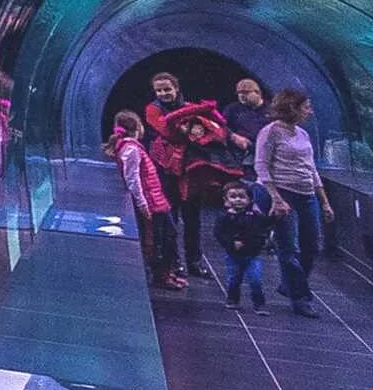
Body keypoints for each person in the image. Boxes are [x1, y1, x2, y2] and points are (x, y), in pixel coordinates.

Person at [145, 72, 230, 282]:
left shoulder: (191, 107)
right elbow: (167, 132)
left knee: (193, 217)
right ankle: (174, 262)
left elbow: (216, 128)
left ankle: (194, 261)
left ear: (176, 88)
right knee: (170, 218)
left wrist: (201, 129)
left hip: (191, 169)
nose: (164, 93)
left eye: (167, 89)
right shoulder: (152, 109)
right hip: (167, 168)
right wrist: (190, 129)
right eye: (159, 90)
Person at [254, 87, 326, 316]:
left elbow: (311, 168)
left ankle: (289, 284)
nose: (310, 112)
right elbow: (261, 164)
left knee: (312, 246)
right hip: (281, 193)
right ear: (292, 107)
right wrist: (275, 198)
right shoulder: (271, 132)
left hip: (307, 195)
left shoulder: (302, 134)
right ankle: (300, 298)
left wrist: (323, 200)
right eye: (306, 107)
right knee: (289, 247)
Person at [111, 108, 182, 289]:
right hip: (151, 202)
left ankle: (168, 273)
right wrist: (142, 203)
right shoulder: (131, 149)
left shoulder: (131, 147)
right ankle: (161, 276)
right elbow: (132, 178)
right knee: (158, 239)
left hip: (156, 199)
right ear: (137, 127)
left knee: (169, 234)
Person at [214, 179, 276, 311]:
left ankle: (259, 303)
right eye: (233, 196)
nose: (237, 200)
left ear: (249, 200)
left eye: (242, 197)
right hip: (234, 254)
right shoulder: (225, 217)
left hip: (253, 254)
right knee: (234, 279)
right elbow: (219, 233)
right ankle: (233, 299)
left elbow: (264, 224)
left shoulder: (254, 215)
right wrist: (230, 243)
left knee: (255, 279)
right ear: (226, 199)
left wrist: (274, 216)